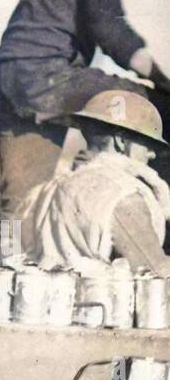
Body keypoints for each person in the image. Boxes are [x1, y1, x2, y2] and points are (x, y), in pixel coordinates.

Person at [0, 0, 170, 220]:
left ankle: (1, 270)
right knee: (160, 109)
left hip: (4, 83)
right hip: (44, 77)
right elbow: (112, 33)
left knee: (21, 205)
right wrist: (161, 80)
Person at [29, 89, 170, 273]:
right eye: (147, 145)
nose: (151, 154)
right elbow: (157, 273)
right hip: (103, 300)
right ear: (120, 141)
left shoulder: (51, 187)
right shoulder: (122, 194)